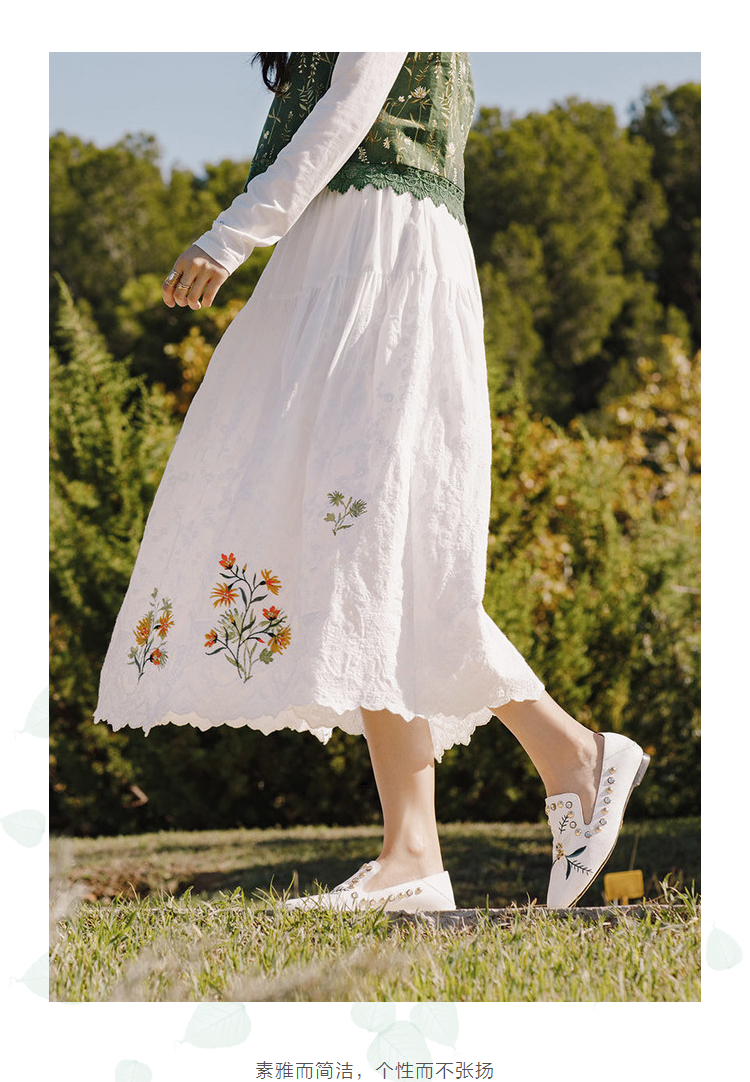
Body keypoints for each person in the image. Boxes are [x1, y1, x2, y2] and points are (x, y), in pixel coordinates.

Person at [94, 52, 648, 912]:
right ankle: (425, 846)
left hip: (379, 261)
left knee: (367, 549)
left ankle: (554, 767)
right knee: (354, 554)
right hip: (337, 258)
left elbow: (350, 106)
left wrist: (230, 235)